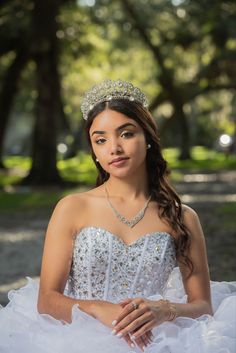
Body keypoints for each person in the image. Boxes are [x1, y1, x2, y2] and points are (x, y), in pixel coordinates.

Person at [0, 79, 235, 353]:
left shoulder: (182, 217)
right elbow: (47, 301)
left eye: (126, 134)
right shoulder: (72, 208)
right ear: (95, 152)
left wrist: (165, 309)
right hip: (76, 337)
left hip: (158, 340)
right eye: (100, 139)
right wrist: (98, 308)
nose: (114, 148)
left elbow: (202, 305)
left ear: (148, 138)